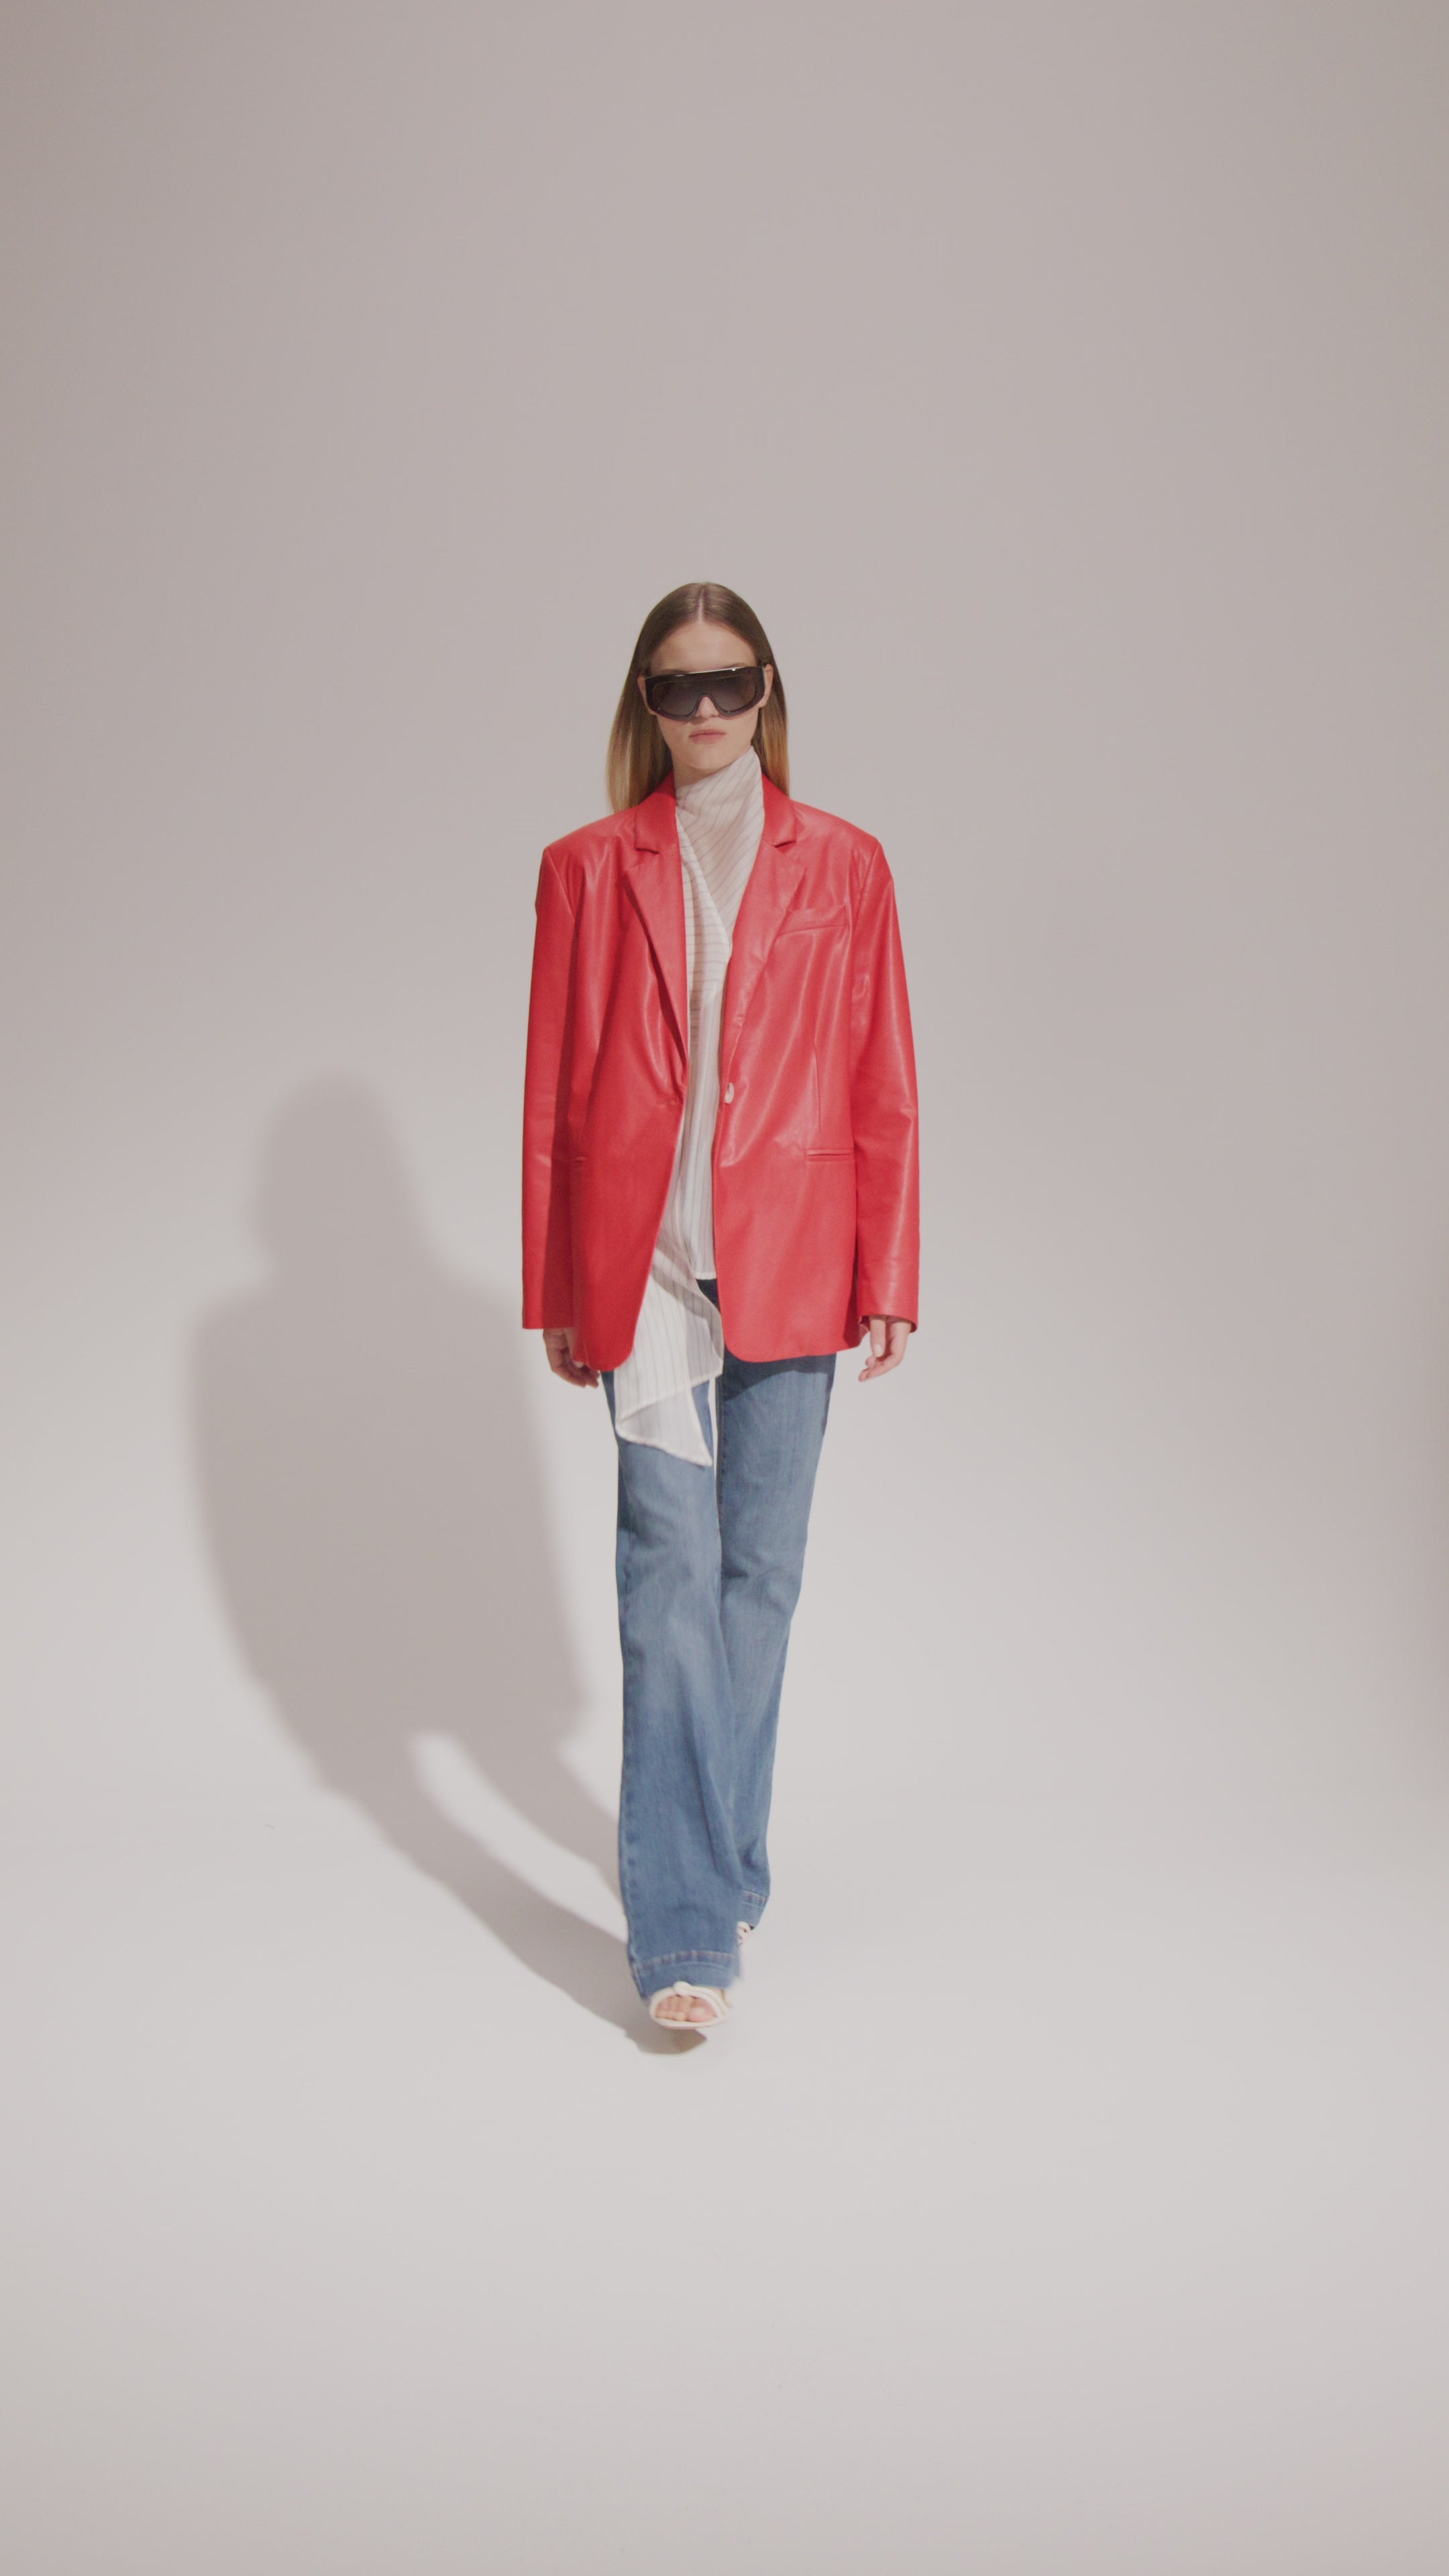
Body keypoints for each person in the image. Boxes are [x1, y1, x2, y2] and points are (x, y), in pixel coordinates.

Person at [523, 582, 919, 2030]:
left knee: (761, 1578)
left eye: (729, 683)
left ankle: (723, 1855)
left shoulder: (847, 864)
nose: (705, 712)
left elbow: (882, 1076)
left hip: (797, 1254)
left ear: (767, 690)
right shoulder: (585, 869)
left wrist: (891, 1271)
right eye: (678, 687)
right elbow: (554, 1094)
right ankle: (688, 1931)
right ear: (644, 699)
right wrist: (559, 1284)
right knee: (667, 1578)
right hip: (646, 1272)